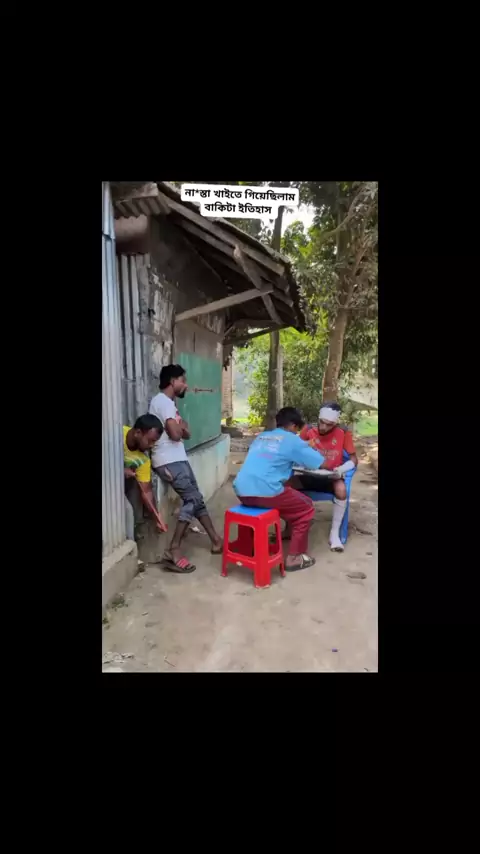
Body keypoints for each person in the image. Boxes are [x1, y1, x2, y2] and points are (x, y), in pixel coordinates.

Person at [149, 363, 223, 573]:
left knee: (196, 499)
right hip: (168, 461)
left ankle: (216, 540)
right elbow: (176, 434)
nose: (186, 385)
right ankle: (173, 549)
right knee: (192, 499)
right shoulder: (162, 402)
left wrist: (180, 428)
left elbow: (186, 433)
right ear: (173, 381)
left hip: (178, 459)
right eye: (183, 380)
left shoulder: (170, 405)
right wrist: (179, 428)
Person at [233, 407, 326, 571]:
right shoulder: (292, 440)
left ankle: (258, 541)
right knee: (306, 508)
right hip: (266, 491)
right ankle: (295, 557)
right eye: (297, 429)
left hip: (242, 490)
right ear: (293, 425)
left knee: (288, 493)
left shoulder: (262, 436)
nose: (297, 432)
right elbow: (317, 462)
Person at [296, 402, 358, 552]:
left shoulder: (343, 433)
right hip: (308, 474)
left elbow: (354, 459)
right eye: (322, 422)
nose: (324, 427)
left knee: (341, 490)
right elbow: (295, 450)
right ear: (318, 418)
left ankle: (334, 534)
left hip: (331, 476)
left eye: (329, 425)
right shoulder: (308, 430)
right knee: (284, 485)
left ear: (335, 423)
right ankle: (289, 528)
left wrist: (342, 469)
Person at [123, 414, 168, 541]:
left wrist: (157, 517)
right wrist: (119, 470)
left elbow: (146, 491)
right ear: (138, 433)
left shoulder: (143, 460)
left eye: (154, 442)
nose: (152, 445)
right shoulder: (116, 434)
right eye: (150, 441)